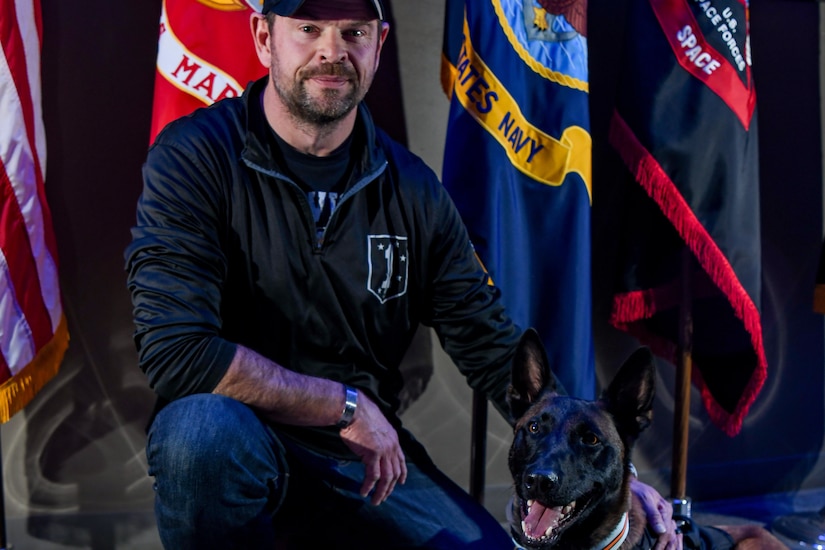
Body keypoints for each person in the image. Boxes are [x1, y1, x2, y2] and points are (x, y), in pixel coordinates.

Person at [124, 0, 682, 548]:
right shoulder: (194, 157)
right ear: (264, 38)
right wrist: (341, 404)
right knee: (196, 433)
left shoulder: (412, 189)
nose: (332, 51)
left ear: (379, 43)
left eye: (353, 33)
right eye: (309, 28)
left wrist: (613, 470)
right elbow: (179, 352)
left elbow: (489, 344)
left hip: (363, 462)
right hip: (239, 440)